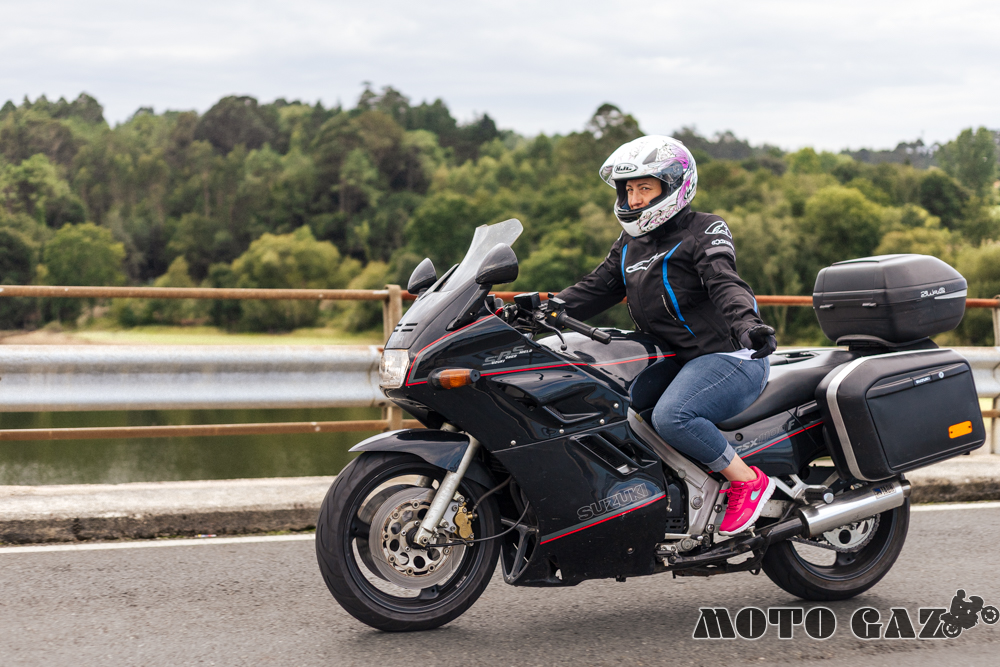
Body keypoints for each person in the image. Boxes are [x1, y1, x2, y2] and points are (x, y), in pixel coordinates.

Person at [555, 135, 778, 536]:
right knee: (604, 402)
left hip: (730, 356)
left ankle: (747, 481)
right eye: (629, 190)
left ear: (674, 186)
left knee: (673, 416)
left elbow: (725, 282)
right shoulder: (630, 244)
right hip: (675, 361)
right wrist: (539, 310)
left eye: (645, 188)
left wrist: (748, 325)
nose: (634, 199)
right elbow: (594, 289)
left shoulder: (704, 229)